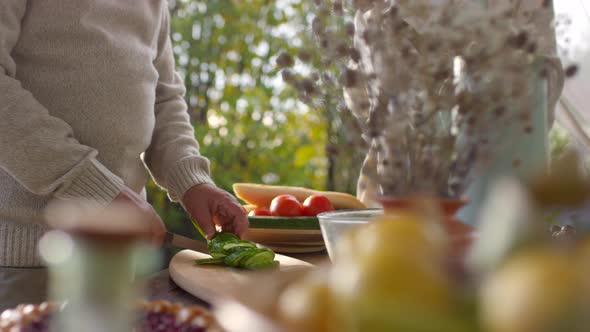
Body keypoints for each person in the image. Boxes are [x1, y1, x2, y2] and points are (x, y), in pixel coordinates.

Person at [0, 0, 249, 311]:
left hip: (121, 258)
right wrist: (97, 189)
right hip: (24, 262)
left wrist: (192, 180)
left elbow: (165, 98)